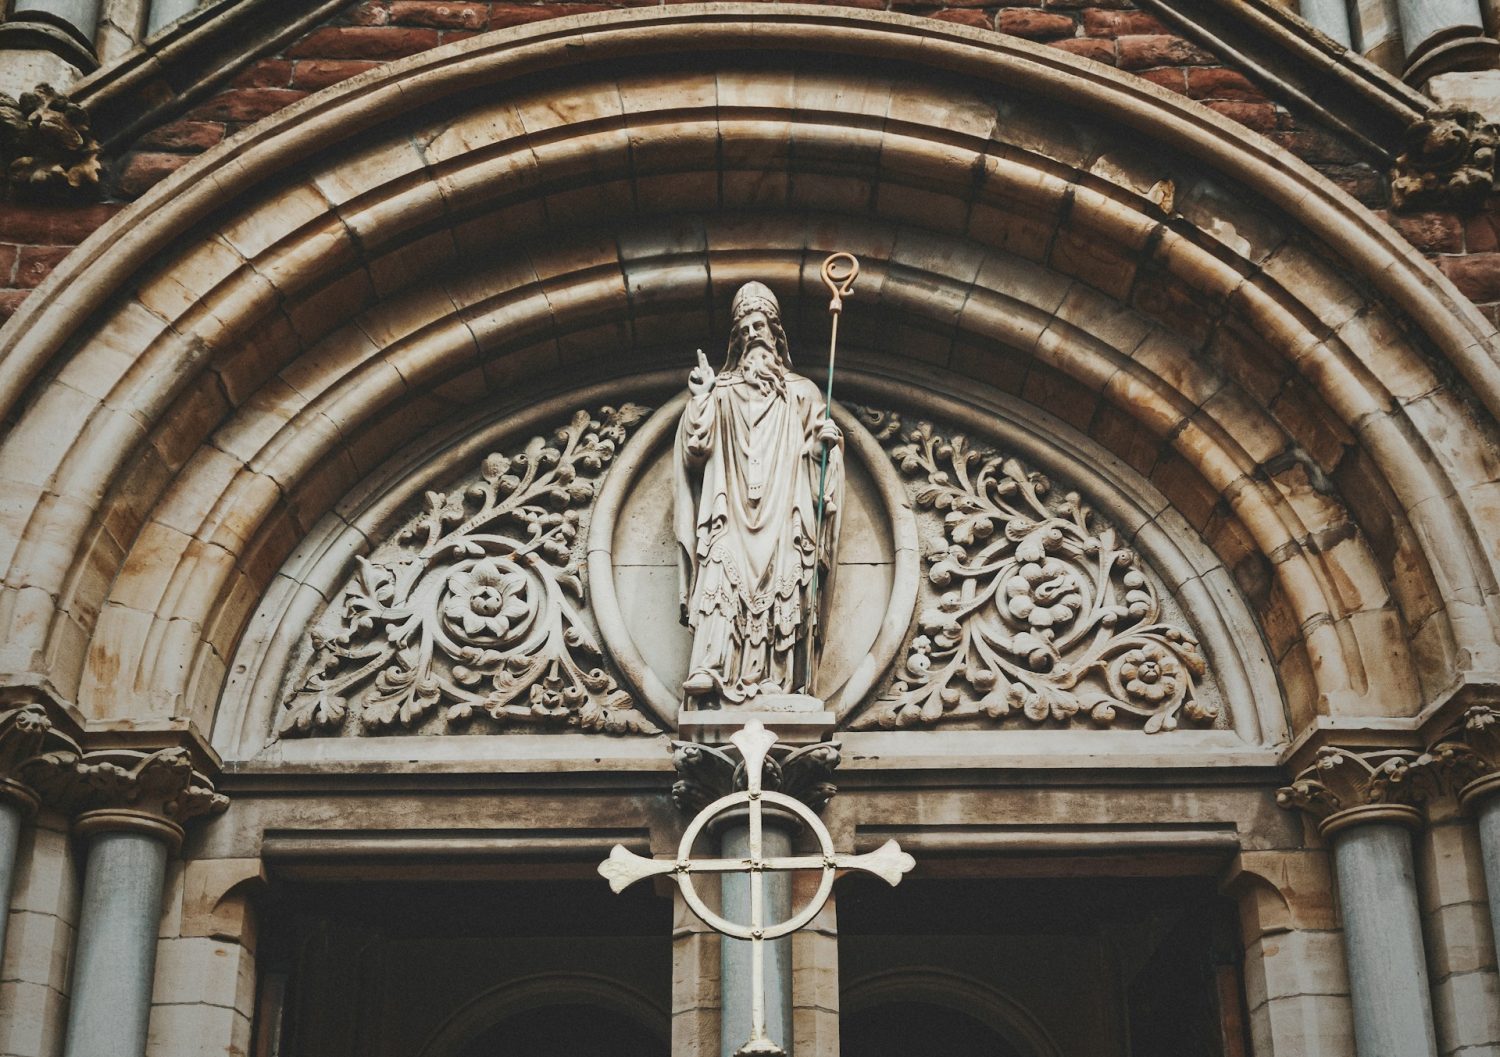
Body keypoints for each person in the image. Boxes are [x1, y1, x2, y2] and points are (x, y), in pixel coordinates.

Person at [673, 281, 843, 705]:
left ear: (775, 335)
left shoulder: (803, 393)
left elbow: (823, 465)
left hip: (787, 510)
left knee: (786, 580)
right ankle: (710, 668)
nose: (752, 335)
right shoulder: (722, 393)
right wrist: (700, 399)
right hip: (728, 508)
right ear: (737, 342)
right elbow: (696, 451)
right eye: (744, 329)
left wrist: (825, 445)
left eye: (759, 326)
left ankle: (779, 682)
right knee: (719, 572)